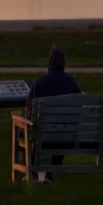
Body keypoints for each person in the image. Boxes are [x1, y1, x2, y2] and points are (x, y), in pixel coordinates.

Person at [25, 46, 82, 181]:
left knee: (26, 132)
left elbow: (29, 110)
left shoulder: (40, 82)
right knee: (62, 132)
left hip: (41, 135)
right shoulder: (72, 82)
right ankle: (52, 169)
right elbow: (78, 109)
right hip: (66, 135)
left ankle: (33, 171)